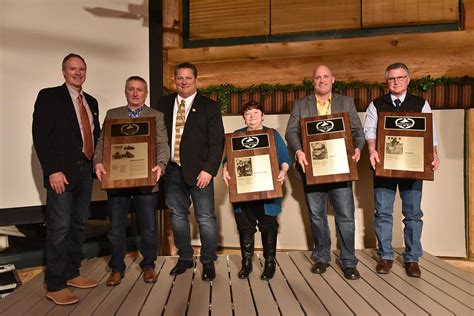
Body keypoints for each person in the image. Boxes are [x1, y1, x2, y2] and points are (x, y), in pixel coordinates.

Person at [285, 65, 365, 280]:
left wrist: (358, 148)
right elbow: (291, 131)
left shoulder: (345, 102)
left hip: (341, 169)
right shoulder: (301, 104)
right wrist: (299, 151)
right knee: (317, 216)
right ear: (313, 82)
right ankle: (322, 257)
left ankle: (348, 261)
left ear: (333, 79)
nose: (322, 80)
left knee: (346, 217)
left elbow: (358, 131)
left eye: (325, 77)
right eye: (317, 77)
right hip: (313, 170)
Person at [32, 53, 100, 305]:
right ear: (63, 71)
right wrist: (52, 170)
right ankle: (56, 283)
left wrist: (99, 163)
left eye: (82, 68)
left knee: (79, 224)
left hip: (85, 171)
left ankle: (72, 272)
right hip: (61, 173)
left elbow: (96, 135)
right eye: (73, 68)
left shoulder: (91, 101)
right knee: (59, 228)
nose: (78, 72)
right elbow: (40, 135)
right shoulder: (49, 97)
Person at [364, 62, 440, 277]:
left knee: (413, 214)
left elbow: (430, 133)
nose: (396, 82)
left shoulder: (421, 104)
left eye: (400, 77)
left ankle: (412, 259)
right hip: (384, 166)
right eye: (391, 78)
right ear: (386, 81)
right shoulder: (376, 104)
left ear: (408, 79)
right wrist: (372, 151)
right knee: (383, 213)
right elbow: (370, 131)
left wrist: (434, 154)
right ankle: (385, 256)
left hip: (413, 167)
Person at [94, 76, 170, 286]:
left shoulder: (156, 116)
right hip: (118, 182)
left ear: (145, 93)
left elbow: (163, 145)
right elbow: (102, 144)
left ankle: (149, 266)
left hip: (147, 181)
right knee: (116, 228)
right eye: (131, 89)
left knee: (148, 228)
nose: (135, 93)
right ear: (125, 91)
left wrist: (161, 166)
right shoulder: (113, 114)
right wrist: (98, 163)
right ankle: (117, 268)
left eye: (139, 90)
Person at [156, 62, 225, 281]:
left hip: (200, 172)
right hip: (173, 170)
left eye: (188, 78)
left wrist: (209, 170)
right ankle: (185, 258)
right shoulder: (163, 104)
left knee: (205, 218)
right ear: (174, 80)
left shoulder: (209, 106)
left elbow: (217, 143)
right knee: (177, 216)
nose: (184, 82)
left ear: (196, 80)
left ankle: (207, 260)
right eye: (180, 78)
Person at [222, 101, 291, 280]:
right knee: (245, 227)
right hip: (244, 192)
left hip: (267, 190)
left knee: (268, 226)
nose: (251, 116)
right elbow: (227, 161)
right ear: (243, 117)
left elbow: (284, 158)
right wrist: (225, 169)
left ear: (262, 115)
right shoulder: (236, 136)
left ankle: (269, 263)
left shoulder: (272, 134)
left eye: (255, 112)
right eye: (248, 113)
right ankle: (247, 263)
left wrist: (283, 170)